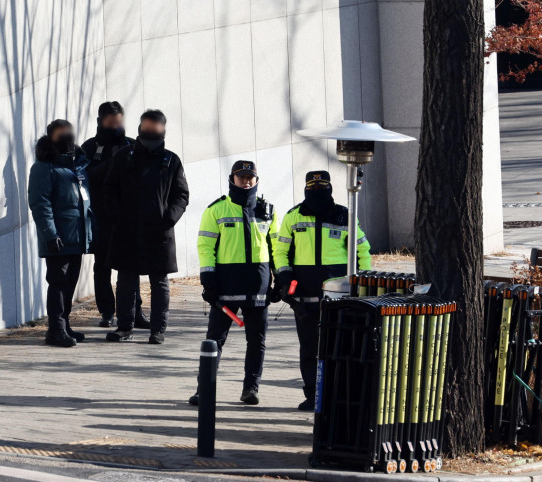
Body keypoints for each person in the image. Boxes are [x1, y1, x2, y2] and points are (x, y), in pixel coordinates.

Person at [273, 171, 371, 410]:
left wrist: (363, 284)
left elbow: (363, 251)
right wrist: (285, 279)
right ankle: (313, 396)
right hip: (304, 298)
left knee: (341, 348)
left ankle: (339, 396)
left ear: (330, 188)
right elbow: (280, 252)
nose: (317, 191)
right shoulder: (293, 216)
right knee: (309, 349)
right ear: (306, 189)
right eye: (312, 187)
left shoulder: (344, 216)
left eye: (321, 187)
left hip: (339, 298)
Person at [188, 161, 280, 406]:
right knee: (214, 340)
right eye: (241, 177)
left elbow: (278, 249)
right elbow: (205, 247)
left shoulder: (268, 211)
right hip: (225, 287)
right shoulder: (216, 210)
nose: (246, 181)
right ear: (232, 179)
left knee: (257, 341)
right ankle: (203, 390)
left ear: (257, 180)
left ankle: (251, 389)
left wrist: (281, 279)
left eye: (250, 177)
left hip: (258, 287)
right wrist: (208, 280)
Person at [103, 109, 189, 344]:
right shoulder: (123, 156)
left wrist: (168, 219)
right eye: (147, 126)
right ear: (140, 127)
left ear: (163, 129)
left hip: (159, 232)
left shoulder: (171, 160)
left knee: (159, 283)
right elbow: (109, 190)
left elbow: (181, 195)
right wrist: (118, 217)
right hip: (127, 231)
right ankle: (124, 327)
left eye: (155, 127)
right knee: (125, 281)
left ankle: (158, 330)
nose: (151, 130)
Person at [81, 101, 149, 329]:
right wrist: (113, 161)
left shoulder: (133, 145)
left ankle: (134, 312)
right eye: (111, 123)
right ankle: (107, 312)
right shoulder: (89, 148)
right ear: (100, 121)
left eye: (118, 122)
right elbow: (86, 177)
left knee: (130, 267)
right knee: (102, 266)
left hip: (128, 218)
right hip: (100, 217)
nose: (115, 127)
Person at [27, 119, 93, 348]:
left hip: (77, 236)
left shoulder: (77, 163)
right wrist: (50, 234)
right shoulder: (43, 167)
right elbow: (40, 204)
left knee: (70, 282)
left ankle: (64, 324)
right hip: (58, 238)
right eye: (61, 133)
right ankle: (55, 330)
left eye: (69, 132)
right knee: (58, 283)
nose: (67, 137)